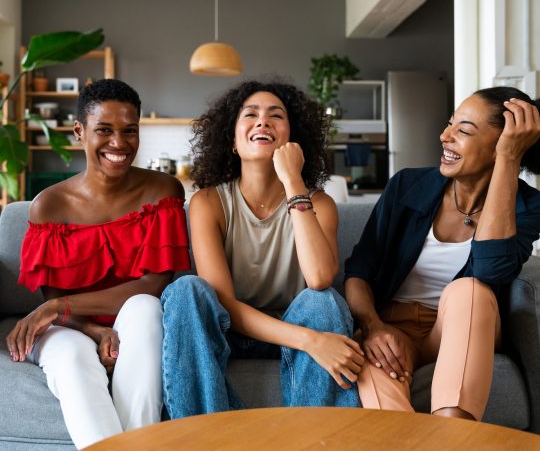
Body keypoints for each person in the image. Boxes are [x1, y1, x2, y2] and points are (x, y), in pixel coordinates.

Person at [161, 79, 364, 418]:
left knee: (324, 301)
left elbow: (318, 277)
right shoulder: (208, 202)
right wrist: (312, 342)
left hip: (296, 325)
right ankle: (207, 440)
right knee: (186, 291)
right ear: (233, 141)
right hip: (233, 332)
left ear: (293, 139)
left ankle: (315, 441)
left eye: (276, 115)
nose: (262, 121)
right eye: (250, 114)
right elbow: (222, 302)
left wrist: (293, 181)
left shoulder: (320, 204)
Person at [5, 79, 190, 449]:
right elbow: (54, 301)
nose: (119, 143)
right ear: (79, 131)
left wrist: (58, 305)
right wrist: (92, 330)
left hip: (130, 320)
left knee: (146, 307)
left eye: (129, 130)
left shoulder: (163, 191)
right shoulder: (49, 205)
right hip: (69, 328)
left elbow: (154, 283)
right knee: (73, 355)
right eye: (104, 130)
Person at [344, 87, 540, 420]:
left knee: (470, 290)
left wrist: (509, 160)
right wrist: (374, 327)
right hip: (392, 328)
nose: (444, 136)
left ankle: (453, 432)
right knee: (376, 364)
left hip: (462, 328)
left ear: (502, 146)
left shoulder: (528, 207)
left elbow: (492, 271)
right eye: (450, 124)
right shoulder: (407, 185)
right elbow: (359, 271)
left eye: (463, 130)